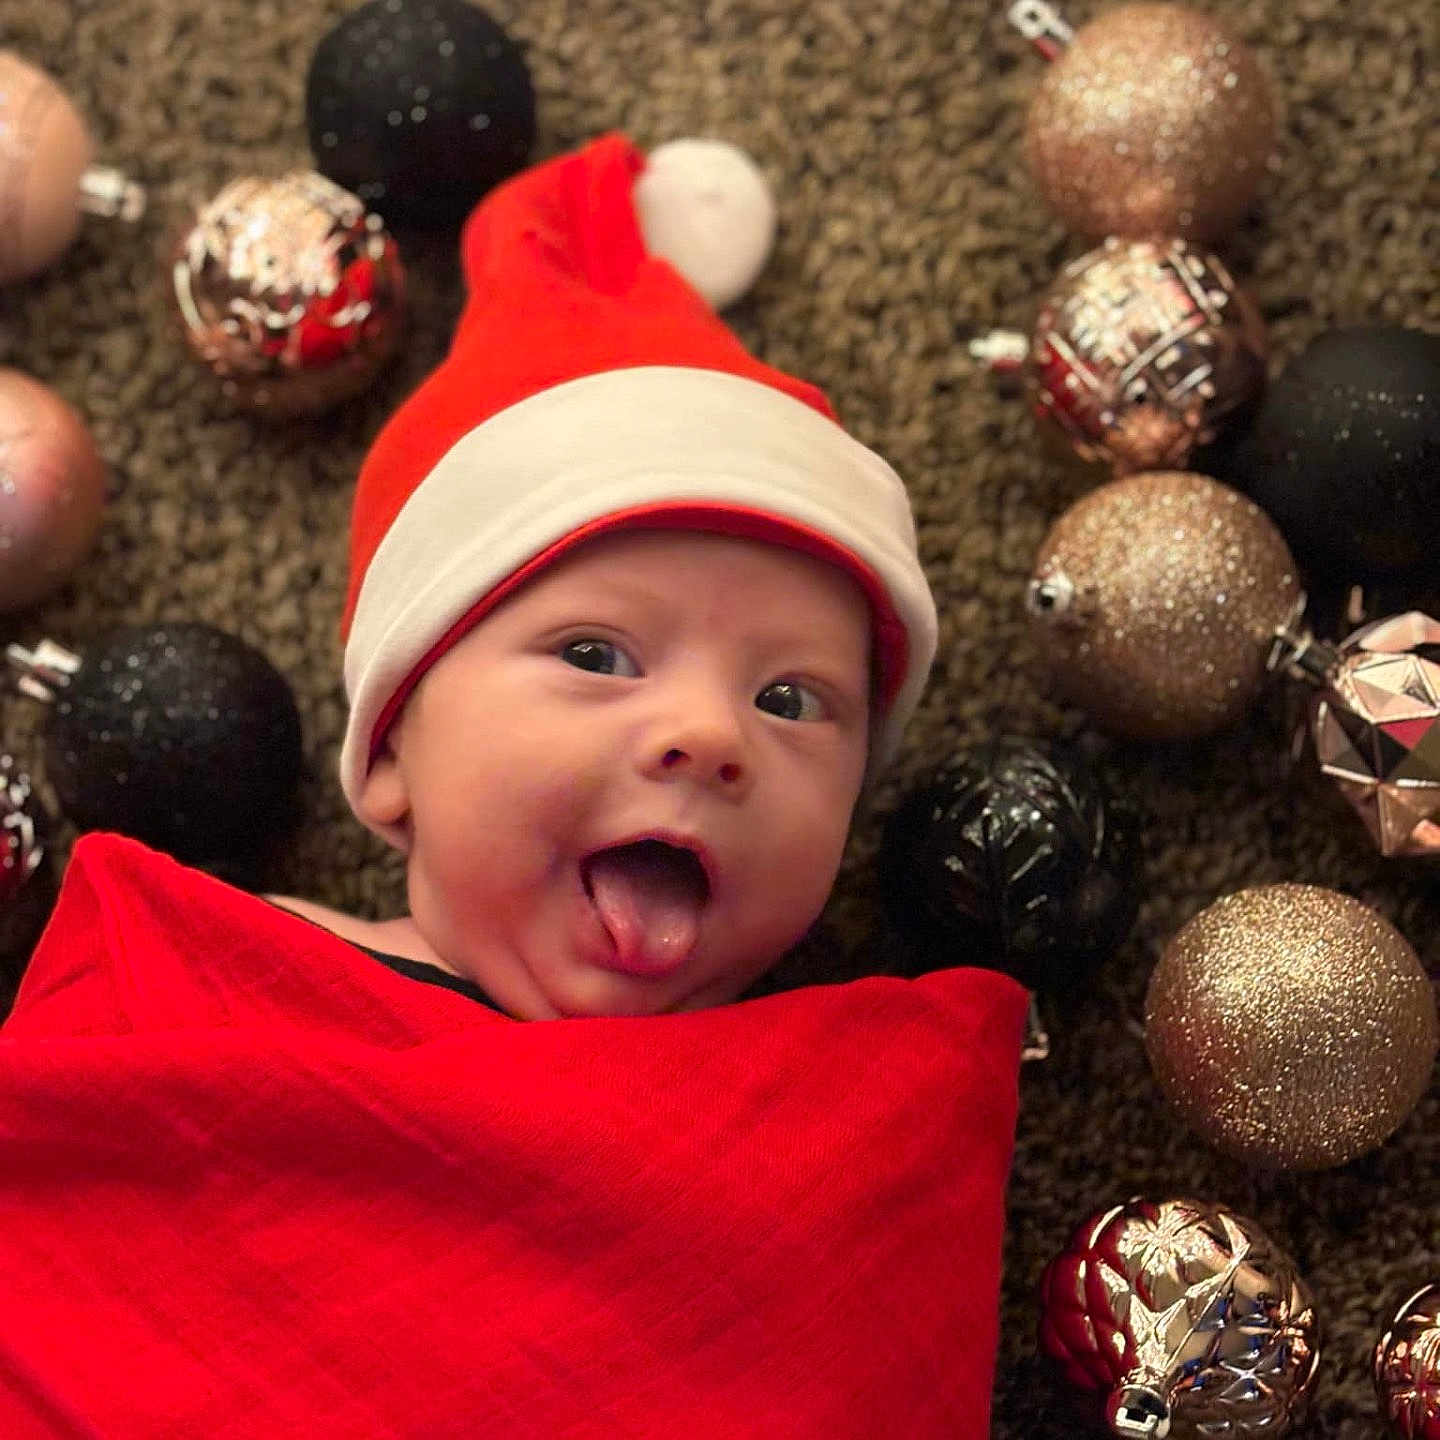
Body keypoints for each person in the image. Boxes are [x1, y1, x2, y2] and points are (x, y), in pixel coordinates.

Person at [0, 133, 1028, 1438]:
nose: (711, 736)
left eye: (791, 701)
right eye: (597, 656)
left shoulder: (843, 1144)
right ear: (385, 761)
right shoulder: (200, 988)